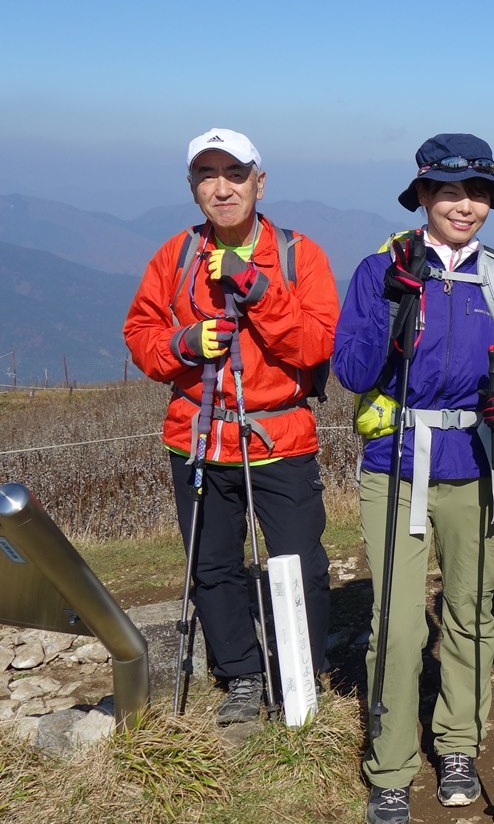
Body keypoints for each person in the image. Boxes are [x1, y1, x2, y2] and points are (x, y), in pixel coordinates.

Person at [332, 134, 494, 824]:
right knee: (397, 621)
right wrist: (394, 309)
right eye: (449, 191)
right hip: (397, 466)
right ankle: (390, 771)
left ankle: (456, 744)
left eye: (477, 192)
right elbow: (353, 373)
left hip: (476, 464)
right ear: (422, 196)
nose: (464, 204)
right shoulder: (378, 271)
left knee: (472, 612)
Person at [123, 128, 338, 725]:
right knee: (212, 564)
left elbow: (318, 346)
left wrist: (255, 286)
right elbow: (141, 335)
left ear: (259, 183)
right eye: (207, 176)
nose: (222, 188)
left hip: (280, 436)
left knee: (298, 563)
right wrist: (184, 343)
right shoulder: (176, 256)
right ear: (193, 187)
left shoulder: (299, 255)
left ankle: (301, 676)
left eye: (235, 174)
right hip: (198, 437)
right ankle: (241, 676)